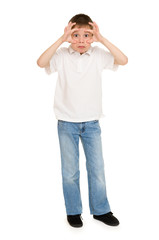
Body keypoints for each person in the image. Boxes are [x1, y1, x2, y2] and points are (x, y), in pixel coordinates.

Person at [37, 13, 128, 228]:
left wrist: (102, 39)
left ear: (93, 36)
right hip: (66, 123)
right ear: (69, 35)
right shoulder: (61, 54)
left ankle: (101, 210)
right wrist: (61, 39)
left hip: (92, 124)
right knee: (70, 172)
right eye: (76, 35)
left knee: (97, 169)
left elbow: (123, 60)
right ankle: (73, 211)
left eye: (87, 35)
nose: (81, 40)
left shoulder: (97, 54)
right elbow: (41, 63)